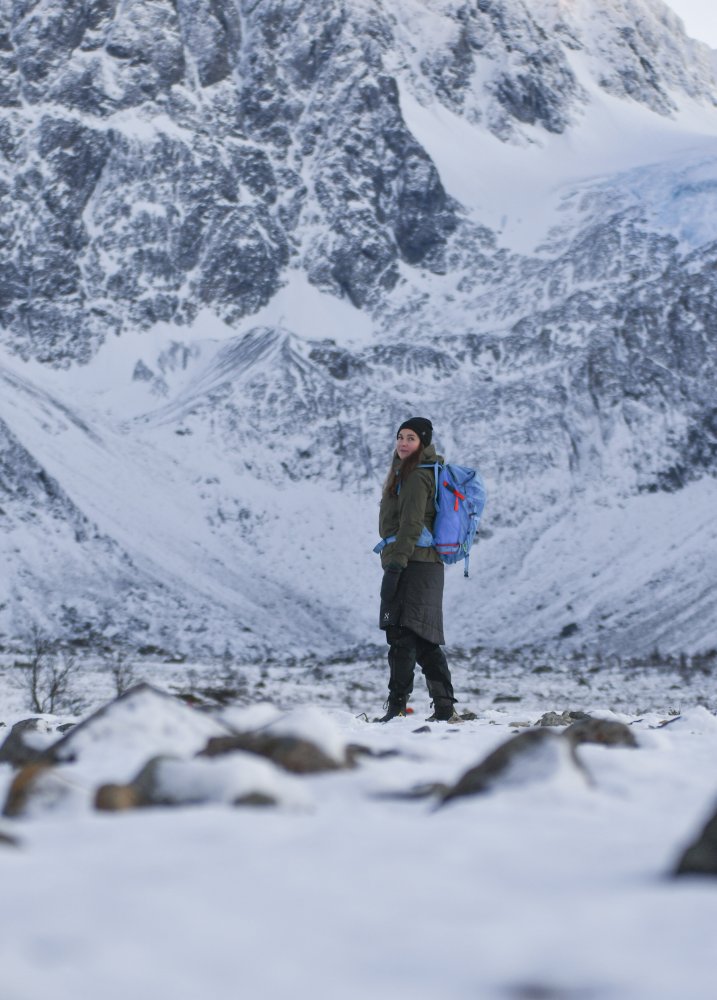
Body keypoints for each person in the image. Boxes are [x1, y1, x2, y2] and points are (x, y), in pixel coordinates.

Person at [375, 417, 459, 723]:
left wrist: (396, 566)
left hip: (412, 563)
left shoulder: (415, 477)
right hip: (424, 563)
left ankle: (398, 707)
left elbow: (411, 524)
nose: (402, 443)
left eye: (410, 438)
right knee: (422, 639)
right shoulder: (415, 473)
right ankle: (444, 707)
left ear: (422, 442)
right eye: (399, 436)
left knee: (401, 636)